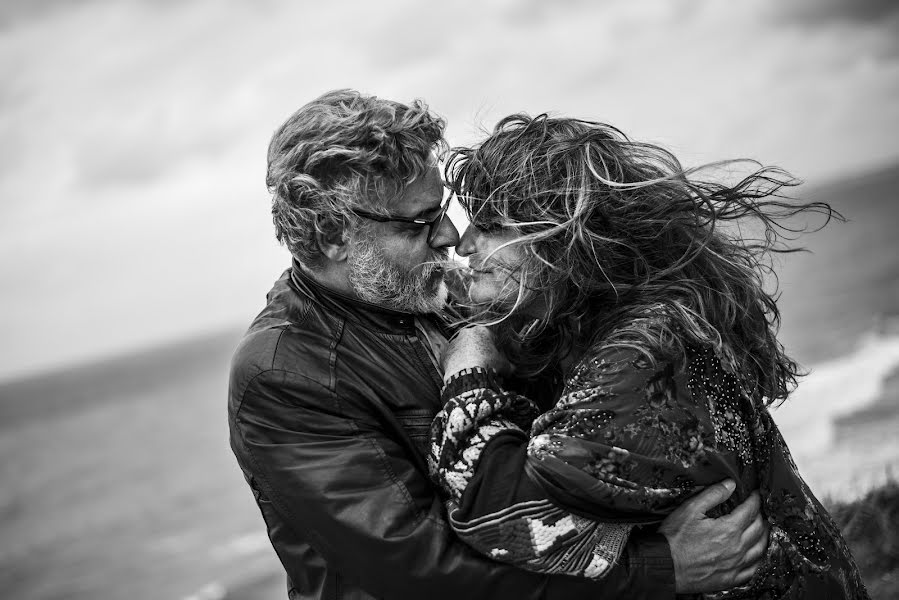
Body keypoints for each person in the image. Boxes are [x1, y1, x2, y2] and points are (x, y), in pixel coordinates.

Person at [228, 89, 770, 600]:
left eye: (442, 209)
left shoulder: (435, 289)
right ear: (331, 235)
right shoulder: (282, 375)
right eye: (420, 222)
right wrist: (658, 569)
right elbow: (420, 568)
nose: (447, 236)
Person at [429, 114, 869, 598]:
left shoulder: (645, 354)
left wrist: (467, 372)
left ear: (563, 238)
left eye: (490, 226)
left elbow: (500, 514)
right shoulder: (624, 320)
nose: (464, 244)